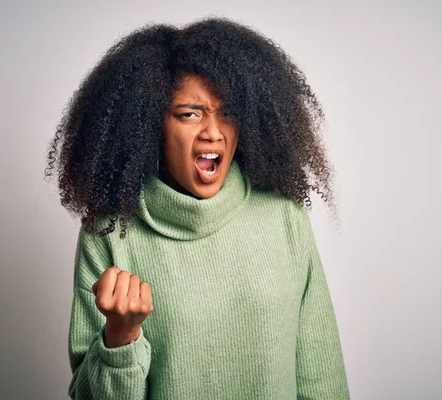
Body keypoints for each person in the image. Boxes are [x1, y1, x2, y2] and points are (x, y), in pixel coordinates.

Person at [45, 17, 350, 399]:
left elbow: (321, 378)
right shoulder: (111, 234)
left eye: (228, 113)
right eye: (190, 113)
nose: (213, 132)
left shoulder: (283, 215)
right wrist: (120, 338)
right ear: (148, 124)